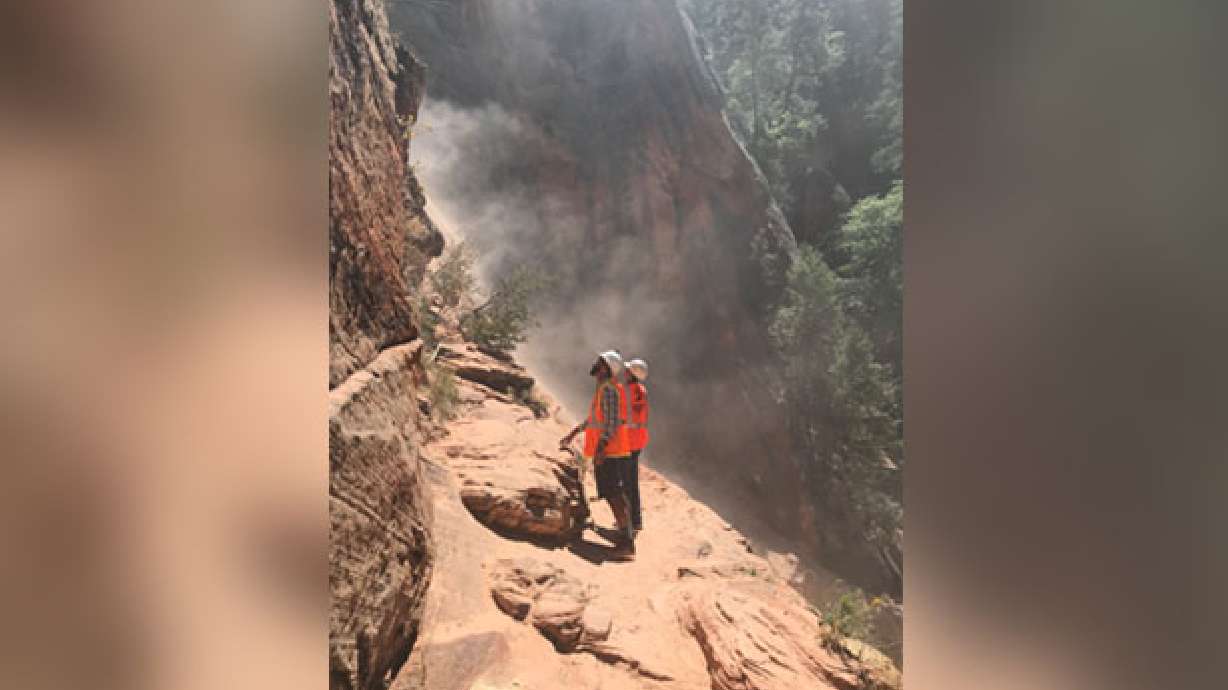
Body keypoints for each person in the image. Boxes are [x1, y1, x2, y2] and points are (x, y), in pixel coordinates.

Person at [559, 350, 636, 551]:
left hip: (610, 451)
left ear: (606, 368)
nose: (595, 364)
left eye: (600, 362)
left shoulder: (609, 390)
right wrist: (574, 432)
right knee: (613, 493)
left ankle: (626, 543)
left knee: (614, 494)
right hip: (608, 450)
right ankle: (624, 534)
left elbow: (611, 422)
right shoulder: (604, 389)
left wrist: (601, 449)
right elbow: (595, 418)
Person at [622, 358, 649, 534]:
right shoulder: (641, 390)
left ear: (631, 374)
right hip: (638, 441)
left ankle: (628, 523)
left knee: (625, 483)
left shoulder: (629, 392)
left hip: (628, 442)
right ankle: (636, 520)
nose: (624, 372)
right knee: (632, 482)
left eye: (627, 370)